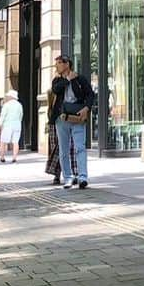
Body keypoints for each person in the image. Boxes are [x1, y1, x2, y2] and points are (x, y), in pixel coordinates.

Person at [50, 55, 95, 190]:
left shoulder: (80, 79)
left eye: (59, 63)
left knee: (80, 147)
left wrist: (86, 108)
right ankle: (68, 177)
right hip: (62, 118)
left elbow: (90, 94)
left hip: (77, 117)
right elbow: (56, 90)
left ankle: (82, 177)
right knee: (63, 150)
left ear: (67, 64)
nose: (56, 66)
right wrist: (68, 79)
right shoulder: (57, 80)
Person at [0, 88, 23, 163]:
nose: (7, 97)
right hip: (17, 125)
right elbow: (21, 115)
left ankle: (2, 157)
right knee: (15, 142)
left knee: (3, 141)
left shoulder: (6, 105)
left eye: (8, 96)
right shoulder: (19, 105)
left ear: (11, 97)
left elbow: (3, 115)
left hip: (7, 125)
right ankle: (14, 157)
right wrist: (19, 122)